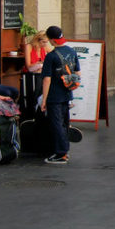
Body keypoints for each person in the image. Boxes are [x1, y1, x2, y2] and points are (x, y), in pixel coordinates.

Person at [40, 26, 80, 164]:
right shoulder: (72, 52)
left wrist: (44, 99)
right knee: (64, 123)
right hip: (67, 94)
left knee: (56, 124)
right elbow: (78, 74)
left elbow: (46, 79)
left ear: (51, 40)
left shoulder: (51, 56)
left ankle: (60, 153)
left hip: (54, 95)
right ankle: (64, 150)